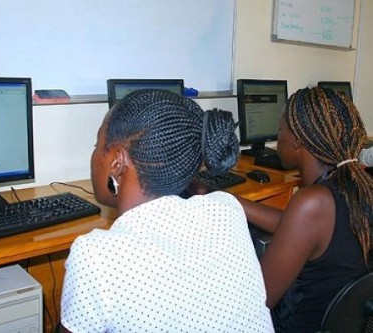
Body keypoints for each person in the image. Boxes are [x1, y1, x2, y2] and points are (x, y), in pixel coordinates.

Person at [59, 89, 273, 332]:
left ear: (117, 162)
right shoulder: (227, 211)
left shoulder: (95, 256)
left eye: (98, 145)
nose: (95, 153)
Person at [237, 86, 373, 332]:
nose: (278, 137)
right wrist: (235, 204)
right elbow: (298, 230)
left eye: (279, 130)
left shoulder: (312, 202)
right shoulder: (356, 186)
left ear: (297, 140)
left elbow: (257, 302)